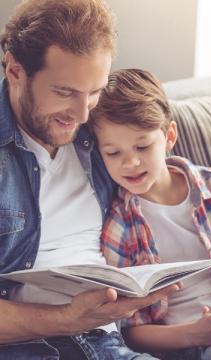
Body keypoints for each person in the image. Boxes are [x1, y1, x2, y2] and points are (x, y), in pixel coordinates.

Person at [0, 2, 179, 359]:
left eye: (94, 92)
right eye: (65, 92)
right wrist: (65, 319)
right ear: (15, 69)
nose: (82, 114)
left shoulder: (102, 134)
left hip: (107, 344)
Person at [89, 68, 211, 360]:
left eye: (143, 146)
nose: (131, 162)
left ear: (169, 135)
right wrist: (194, 333)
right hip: (191, 340)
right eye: (113, 153)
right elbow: (129, 328)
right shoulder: (119, 228)